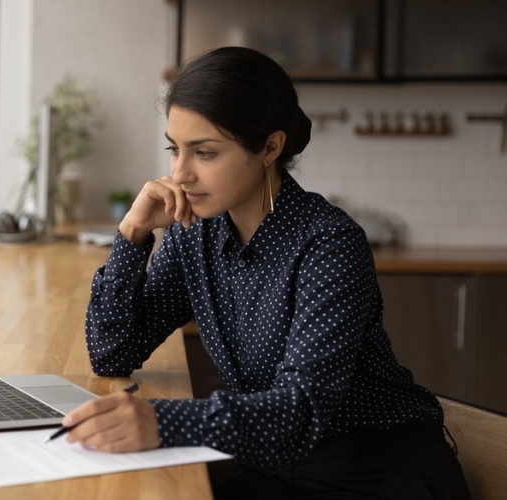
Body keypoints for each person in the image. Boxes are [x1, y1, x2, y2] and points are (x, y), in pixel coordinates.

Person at [60, 46, 470, 499]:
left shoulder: (329, 243)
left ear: (270, 147)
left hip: (376, 473)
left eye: (206, 153)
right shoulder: (193, 232)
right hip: (276, 467)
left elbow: (301, 409)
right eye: (175, 149)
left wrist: (160, 421)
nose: (180, 173)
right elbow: (112, 351)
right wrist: (132, 232)